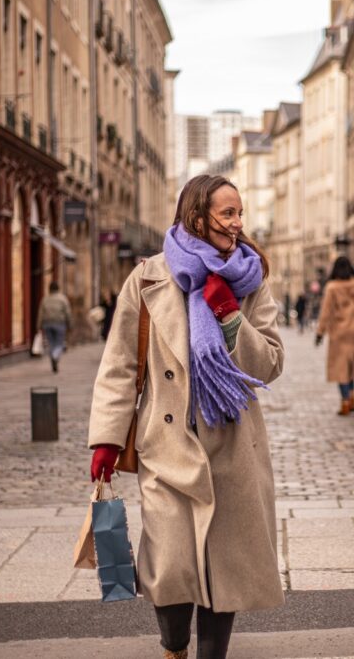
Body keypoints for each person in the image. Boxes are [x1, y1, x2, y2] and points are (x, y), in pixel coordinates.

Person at [87, 175, 285, 659]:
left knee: (225, 567)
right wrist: (107, 441)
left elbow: (271, 364)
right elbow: (119, 365)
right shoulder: (148, 277)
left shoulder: (251, 277)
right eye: (228, 213)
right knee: (171, 563)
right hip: (167, 445)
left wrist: (230, 317)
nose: (238, 224)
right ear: (197, 216)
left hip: (231, 442)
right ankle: (174, 646)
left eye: (240, 213)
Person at [315, 256, 354, 416]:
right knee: (351, 365)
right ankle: (353, 398)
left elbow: (325, 312)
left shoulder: (332, 287)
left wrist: (320, 332)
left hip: (338, 332)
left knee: (340, 367)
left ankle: (345, 402)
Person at [37, 281, 71, 372]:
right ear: (58, 289)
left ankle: (53, 356)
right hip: (59, 323)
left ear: (49, 289)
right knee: (59, 343)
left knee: (51, 343)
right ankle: (55, 356)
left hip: (47, 324)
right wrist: (70, 324)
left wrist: (39, 325)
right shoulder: (63, 299)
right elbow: (67, 313)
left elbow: (41, 313)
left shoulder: (45, 299)